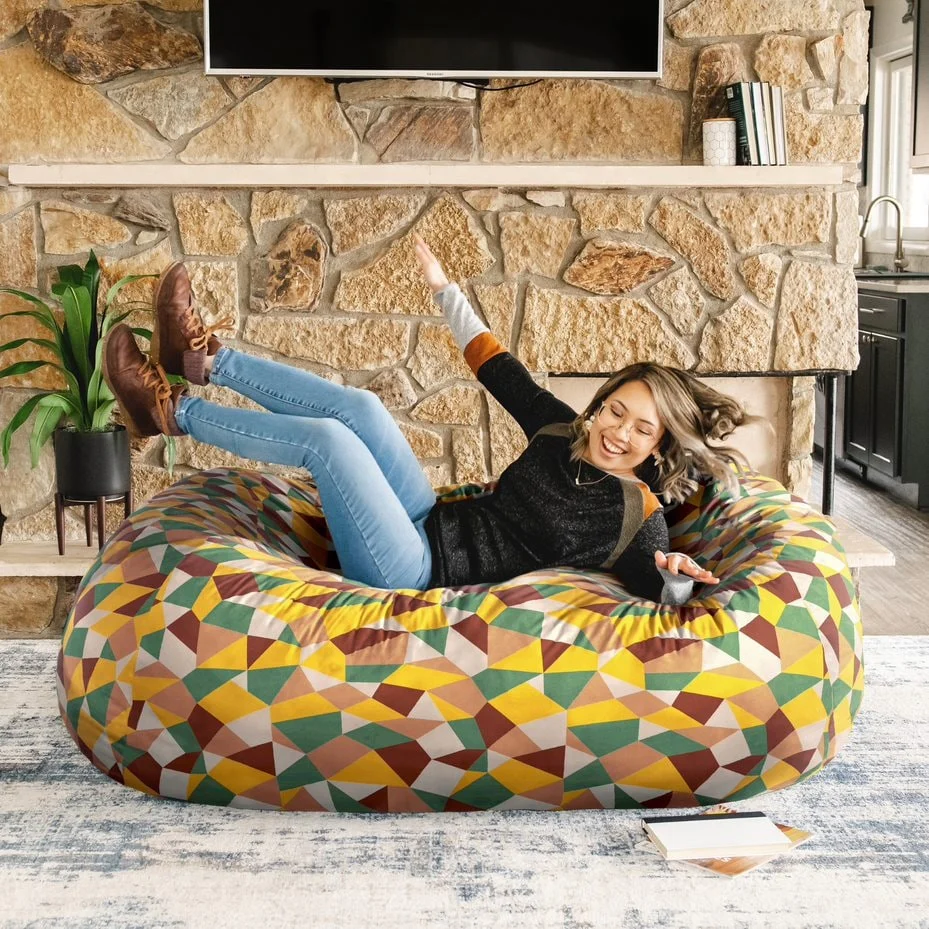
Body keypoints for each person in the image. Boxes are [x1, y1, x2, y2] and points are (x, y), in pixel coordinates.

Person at [102, 235, 757, 602]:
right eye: (616, 410)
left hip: (415, 569)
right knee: (361, 407)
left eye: (642, 429)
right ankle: (203, 361)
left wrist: (674, 578)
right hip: (427, 518)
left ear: (659, 443)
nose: (618, 432)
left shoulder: (636, 515)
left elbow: (659, 592)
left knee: (329, 442)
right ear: (600, 403)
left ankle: (171, 412)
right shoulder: (562, 428)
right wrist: (446, 290)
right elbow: (496, 365)